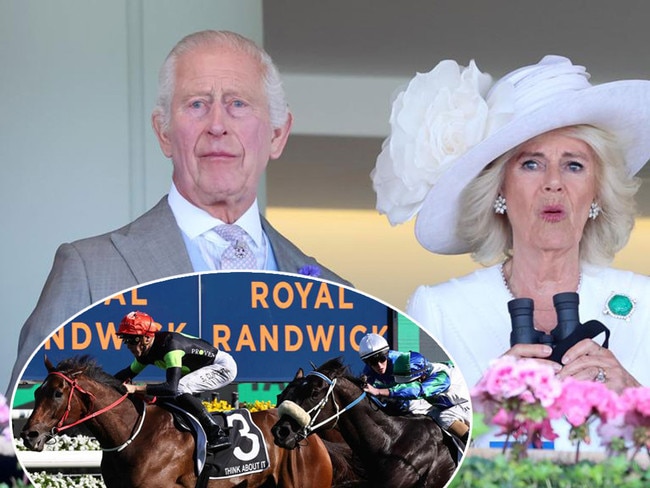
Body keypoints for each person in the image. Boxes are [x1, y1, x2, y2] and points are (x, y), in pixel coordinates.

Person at [9, 30, 352, 396]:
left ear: (277, 134)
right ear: (164, 133)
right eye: (196, 104)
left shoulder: (338, 296)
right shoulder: (87, 270)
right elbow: (29, 412)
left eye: (238, 103)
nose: (217, 125)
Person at [371, 55, 650, 449]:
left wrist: (637, 400)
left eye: (573, 165)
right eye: (531, 163)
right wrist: (480, 409)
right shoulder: (437, 310)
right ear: (499, 190)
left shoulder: (647, 304)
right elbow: (400, 458)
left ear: (597, 193)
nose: (553, 183)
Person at [114, 310, 235, 450]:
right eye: (125, 340)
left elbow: (171, 388)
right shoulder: (145, 351)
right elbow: (127, 374)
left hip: (222, 366)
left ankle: (216, 433)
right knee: (166, 398)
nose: (128, 346)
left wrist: (135, 388)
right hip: (199, 369)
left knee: (179, 388)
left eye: (131, 340)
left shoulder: (170, 347)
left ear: (146, 338)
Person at [358, 333, 470, 443]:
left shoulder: (441, 378)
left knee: (446, 418)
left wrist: (379, 391)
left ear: (421, 377)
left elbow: (417, 391)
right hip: (448, 405)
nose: (379, 365)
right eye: (373, 362)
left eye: (382, 359)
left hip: (469, 403)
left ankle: (473, 446)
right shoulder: (414, 369)